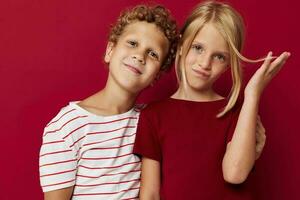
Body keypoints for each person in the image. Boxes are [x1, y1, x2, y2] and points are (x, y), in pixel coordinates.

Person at [133, 1, 290, 199]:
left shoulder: (236, 111)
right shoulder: (153, 116)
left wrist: (252, 94)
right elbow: (150, 194)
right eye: (198, 48)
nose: (205, 63)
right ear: (181, 46)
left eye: (219, 57)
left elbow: (235, 173)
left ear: (228, 65)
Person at [39, 5, 178, 200]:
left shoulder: (152, 121)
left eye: (153, 53)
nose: (140, 55)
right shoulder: (67, 126)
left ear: (157, 75)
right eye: (132, 43)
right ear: (110, 50)